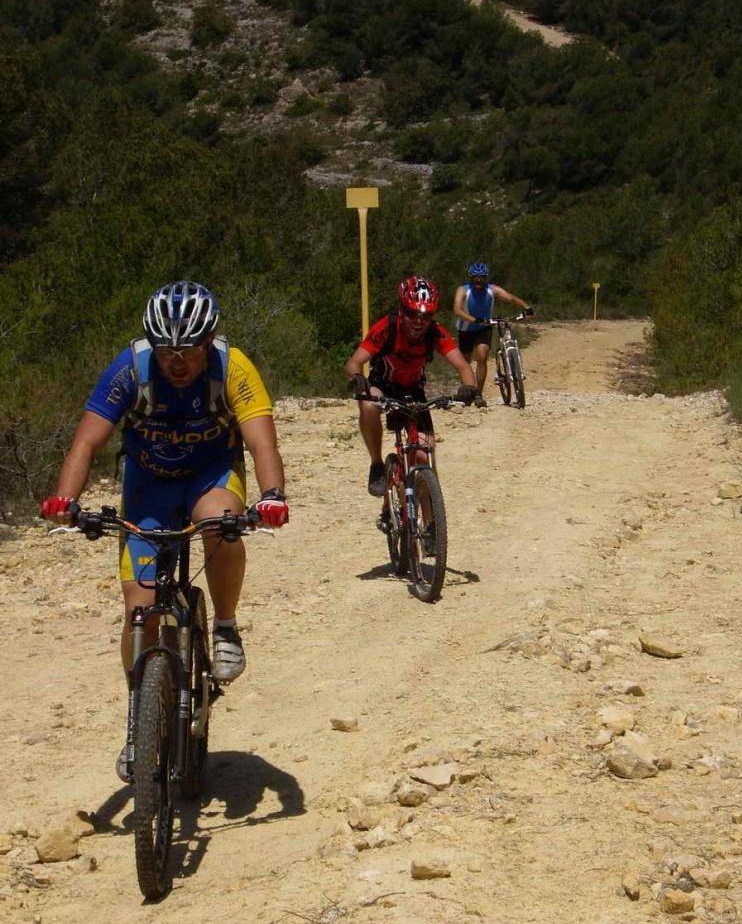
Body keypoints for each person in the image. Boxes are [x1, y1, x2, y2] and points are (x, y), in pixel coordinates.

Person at [41, 281, 289, 780]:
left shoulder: (233, 367)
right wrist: (65, 501)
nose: (177, 361)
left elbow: (262, 442)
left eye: (189, 350)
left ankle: (224, 626)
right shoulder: (130, 367)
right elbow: (87, 441)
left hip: (210, 475)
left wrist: (271, 497)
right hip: (148, 485)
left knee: (221, 524)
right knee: (139, 611)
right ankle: (138, 723)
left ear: (208, 341)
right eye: (166, 349)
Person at [345, 275, 477, 496]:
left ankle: (429, 522)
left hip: (414, 391)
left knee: (425, 457)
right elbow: (354, 362)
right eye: (412, 314)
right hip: (383, 385)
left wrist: (470, 388)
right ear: (401, 310)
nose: (418, 322)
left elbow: (463, 366)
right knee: (368, 404)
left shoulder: (435, 332)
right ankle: (377, 465)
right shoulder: (387, 327)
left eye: (425, 316)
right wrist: (357, 377)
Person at [453, 261, 532, 407]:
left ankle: (478, 394)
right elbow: (457, 310)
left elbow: (511, 298)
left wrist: (526, 307)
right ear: (471, 278)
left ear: (485, 278)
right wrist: (474, 320)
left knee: (482, 356)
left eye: (482, 277)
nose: (479, 280)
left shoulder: (492, 290)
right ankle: (467, 390)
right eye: (476, 277)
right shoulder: (463, 290)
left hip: (484, 327)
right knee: (466, 362)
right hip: (466, 329)